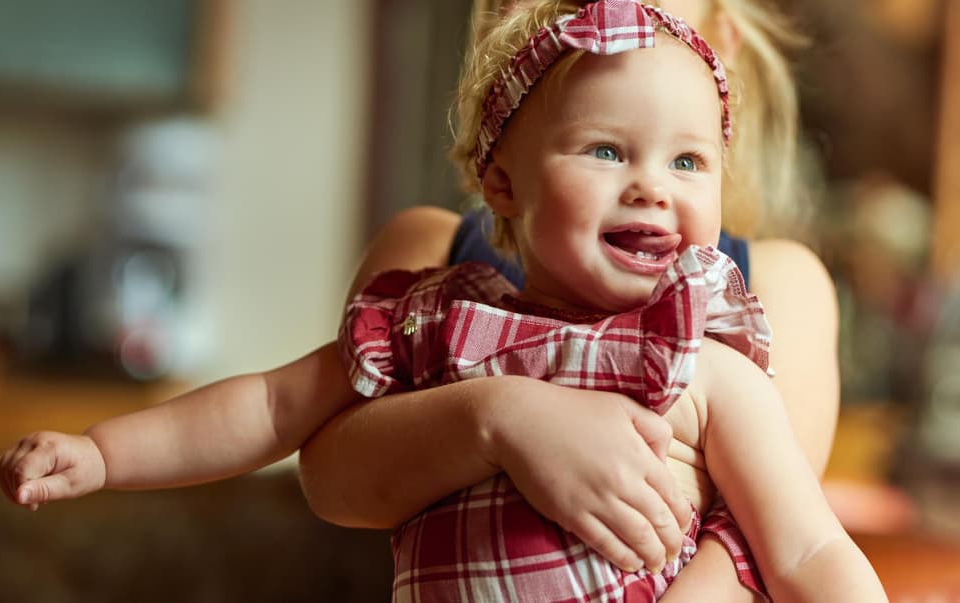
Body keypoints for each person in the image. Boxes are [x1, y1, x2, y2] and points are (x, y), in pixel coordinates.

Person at [299, 0, 840, 600]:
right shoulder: (429, 262)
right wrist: (497, 419)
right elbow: (331, 481)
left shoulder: (779, 284)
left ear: (724, 43)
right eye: (604, 150)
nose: (650, 188)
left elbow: (776, 543)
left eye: (686, 162)